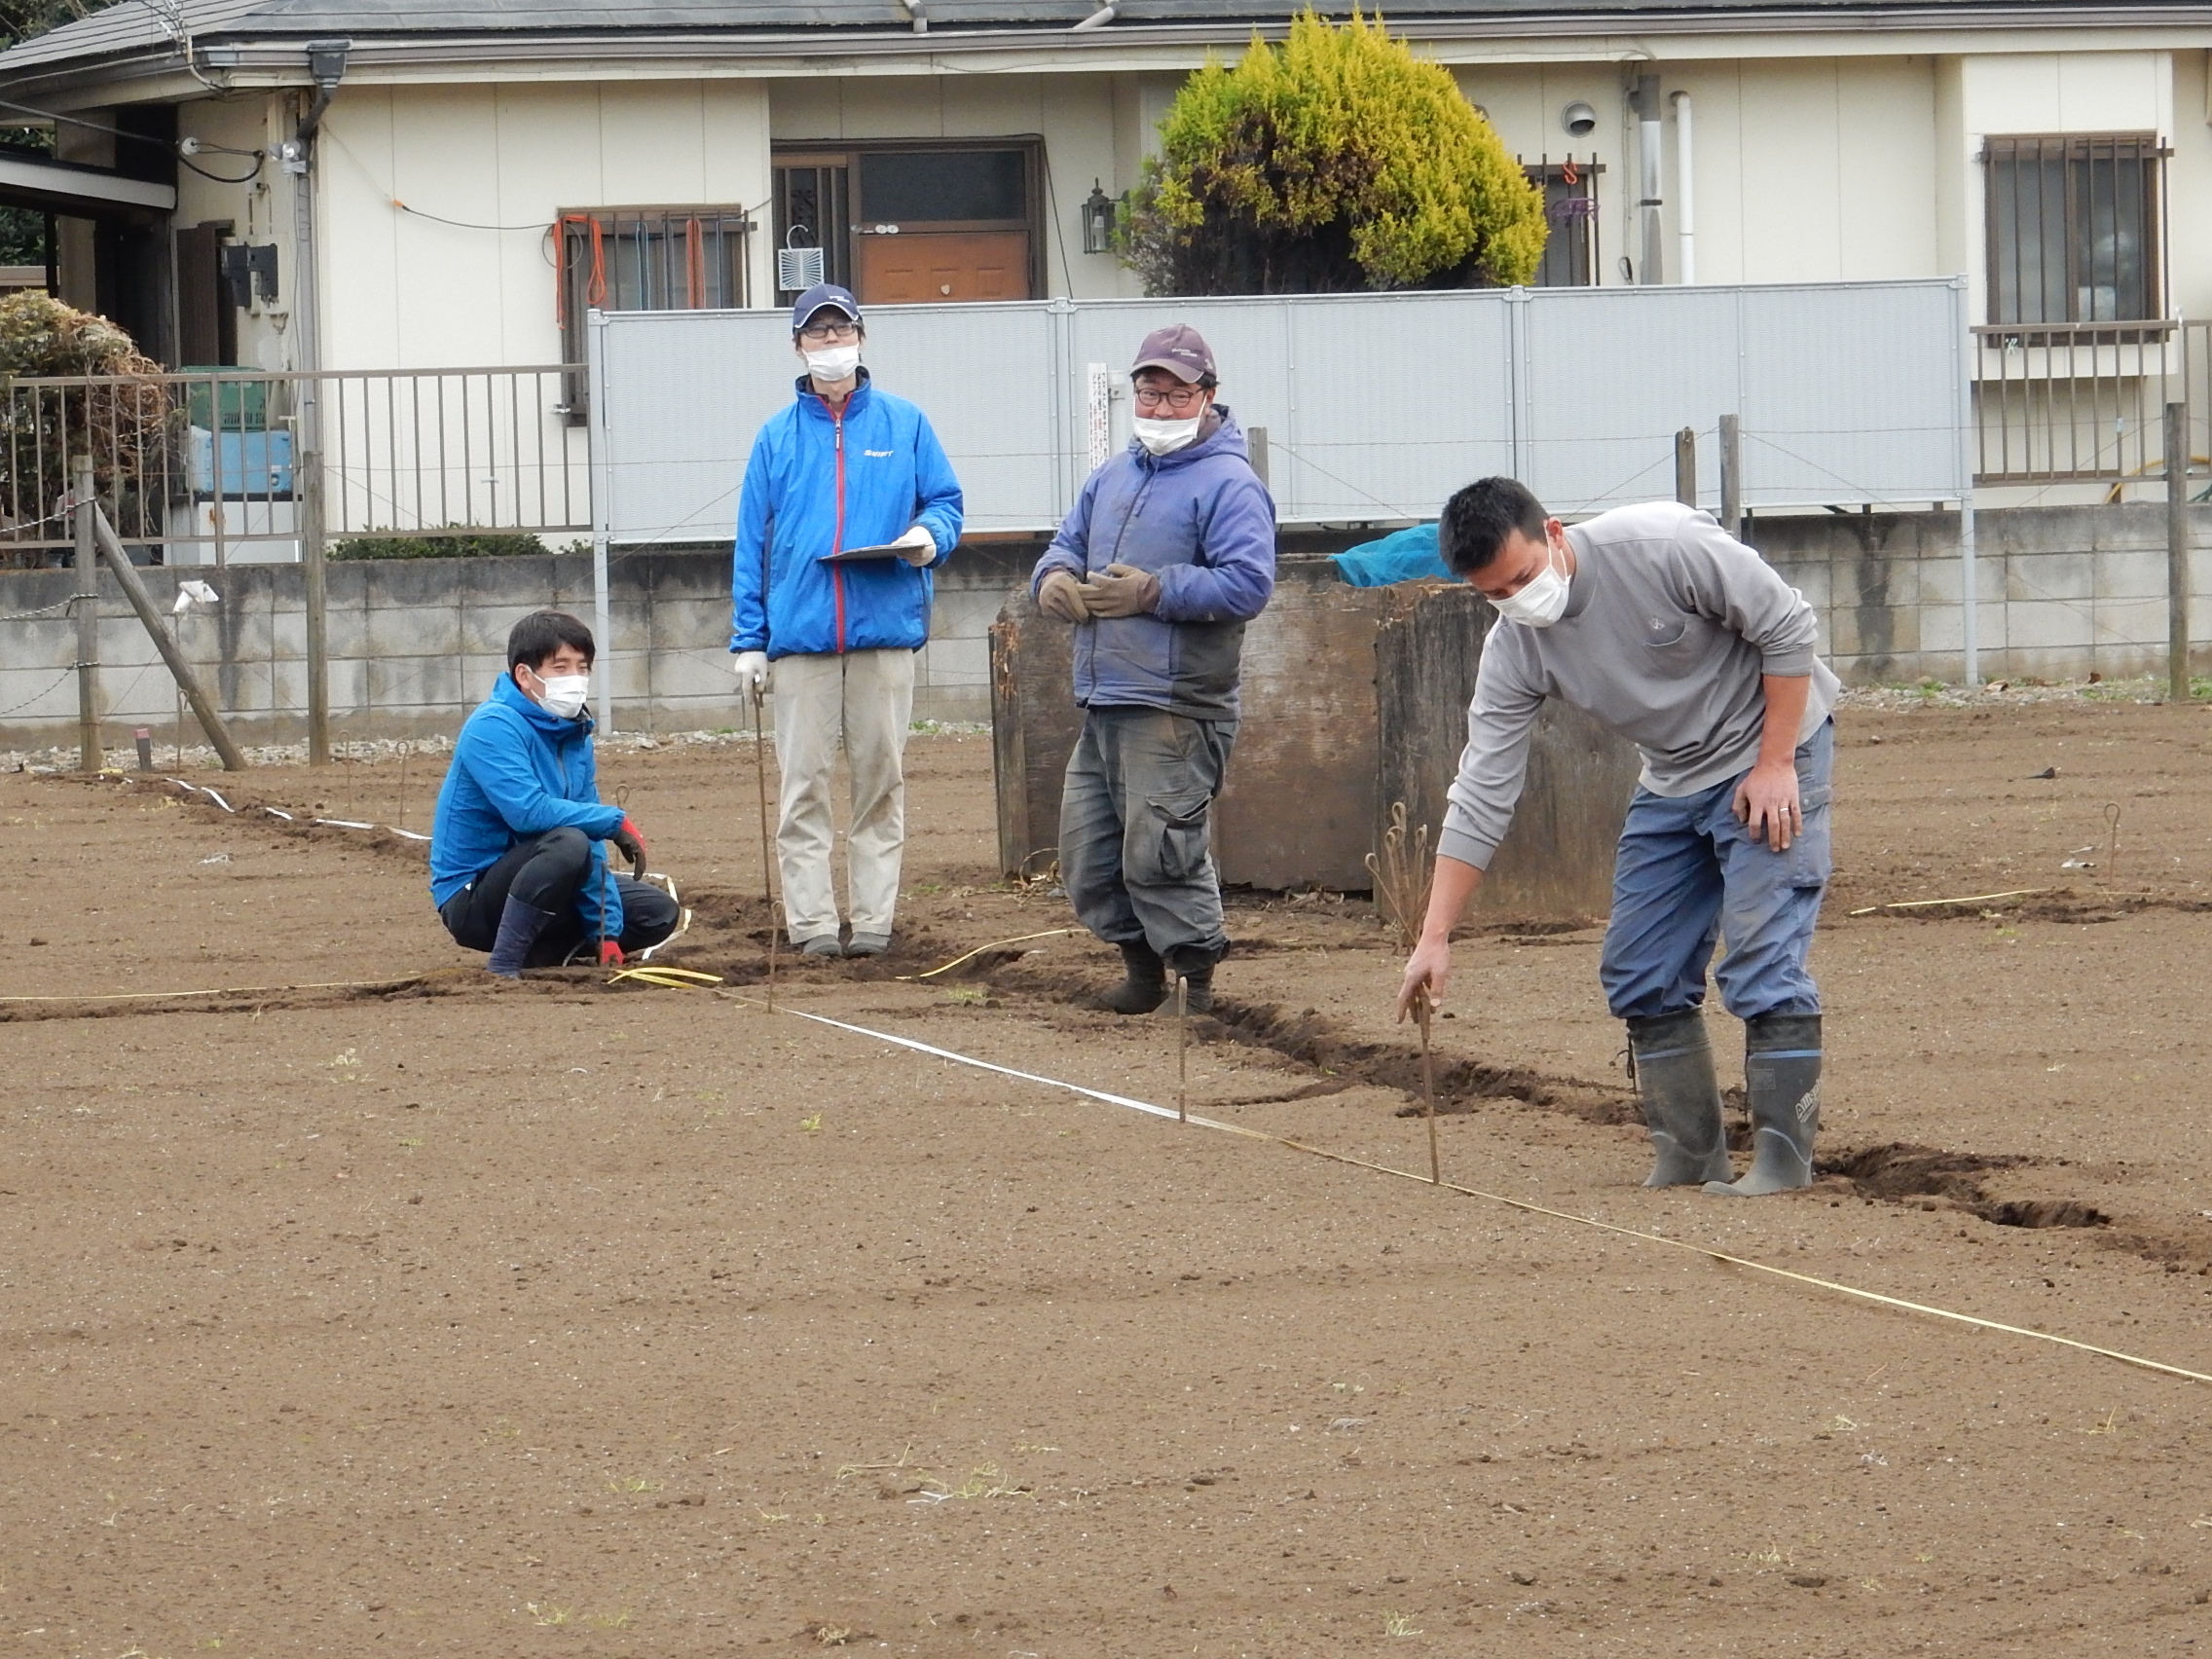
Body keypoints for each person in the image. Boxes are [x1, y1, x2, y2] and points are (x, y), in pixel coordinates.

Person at [1395, 480, 1839, 1197]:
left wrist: (1777, 762)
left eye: (1521, 578)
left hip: (1772, 749)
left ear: (1557, 535)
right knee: (1639, 968)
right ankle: (1690, 1156)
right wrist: (1434, 935)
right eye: (1492, 594)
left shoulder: (1664, 547)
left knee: (1759, 954)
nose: (1514, 601)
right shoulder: (1514, 648)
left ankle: (1783, 1163)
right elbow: (1482, 790)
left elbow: (1787, 627)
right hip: (1671, 777)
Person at [1029, 323, 1276, 1014]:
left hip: (1175, 703)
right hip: (1105, 696)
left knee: (1162, 850)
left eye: (1176, 395)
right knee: (1090, 853)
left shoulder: (1230, 484)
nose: (1160, 409)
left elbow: (1249, 584)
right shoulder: (1111, 476)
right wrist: (1050, 581)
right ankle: (1141, 975)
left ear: (1208, 396)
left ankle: (1196, 986)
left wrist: (1154, 590)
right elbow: (1062, 547)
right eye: (1149, 393)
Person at [730, 281, 964, 959]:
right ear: (798, 346)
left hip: (883, 631)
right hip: (798, 641)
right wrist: (749, 640)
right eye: (817, 334)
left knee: (879, 782)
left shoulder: (905, 423)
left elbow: (945, 501)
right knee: (803, 788)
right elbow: (753, 543)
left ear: (861, 337)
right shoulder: (774, 438)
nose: (831, 345)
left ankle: (872, 924)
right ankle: (809, 926)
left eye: (841, 332)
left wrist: (929, 536)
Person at [430, 610, 678, 977]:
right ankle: (504, 964)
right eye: (560, 667)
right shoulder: (492, 725)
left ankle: (543, 955)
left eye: (582, 667)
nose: (575, 679)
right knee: (568, 842)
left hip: (549, 873)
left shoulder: (574, 734)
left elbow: (588, 839)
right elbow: (529, 813)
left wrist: (606, 932)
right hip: (473, 896)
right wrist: (613, 821)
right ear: (524, 675)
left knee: (657, 913)